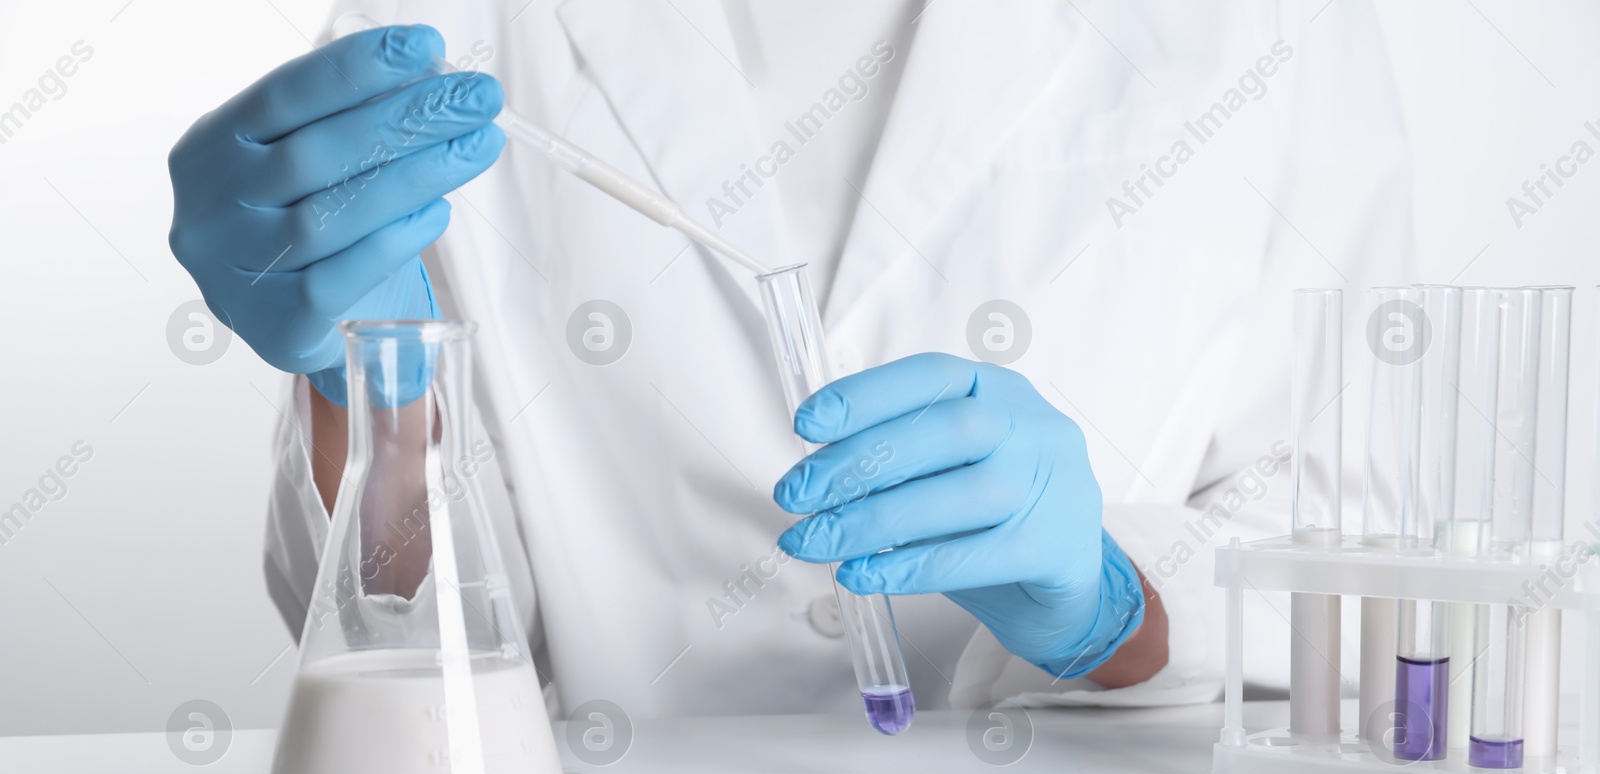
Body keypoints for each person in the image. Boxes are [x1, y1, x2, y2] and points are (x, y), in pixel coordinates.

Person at [168, 1, 1413, 720]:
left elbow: (1376, 556)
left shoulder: (1269, 25)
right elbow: (409, 641)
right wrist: (368, 395)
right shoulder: (455, 24)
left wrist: (1118, 607)